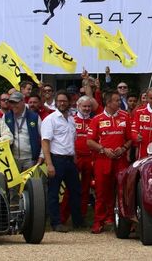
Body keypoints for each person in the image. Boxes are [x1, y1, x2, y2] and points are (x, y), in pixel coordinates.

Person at [87, 91, 132, 233]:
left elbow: (131, 138)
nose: (119, 103)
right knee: (101, 192)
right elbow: (89, 141)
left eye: (119, 100)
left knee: (123, 191)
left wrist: (124, 148)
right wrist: (103, 149)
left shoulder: (125, 116)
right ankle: (99, 221)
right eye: (117, 100)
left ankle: (124, 221)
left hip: (121, 160)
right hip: (102, 160)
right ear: (108, 103)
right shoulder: (97, 119)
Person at [41, 91, 84, 232]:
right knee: (53, 193)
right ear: (56, 102)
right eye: (59, 101)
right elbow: (45, 142)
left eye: (64, 101)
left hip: (70, 160)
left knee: (76, 191)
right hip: (56, 159)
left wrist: (75, 157)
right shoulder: (50, 119)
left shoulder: (71, 119)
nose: (62, 103)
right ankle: (55, 222)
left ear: (69, 102)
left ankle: (77, 221)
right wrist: (49, 164)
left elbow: (72, 140)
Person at [60, 95, 95, 225]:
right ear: (78, 106)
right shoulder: (71, 120)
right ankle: (63, 217)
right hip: (74, 158)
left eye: (89, 106)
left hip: (89, 158)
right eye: (84, 106)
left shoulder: (94, 121)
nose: (86, 108)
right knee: (70, 189)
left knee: (85, 189)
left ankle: (80, 218)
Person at [3, 91, 41, 171]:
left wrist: (42, 156)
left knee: (30, 183)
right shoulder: (6, 116)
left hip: (30, 159)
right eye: (11, 103)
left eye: (16, 103)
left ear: (23, 101)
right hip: (12, 158)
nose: (13, 106)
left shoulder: (34, 117)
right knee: (14, 184)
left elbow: (43, 138)